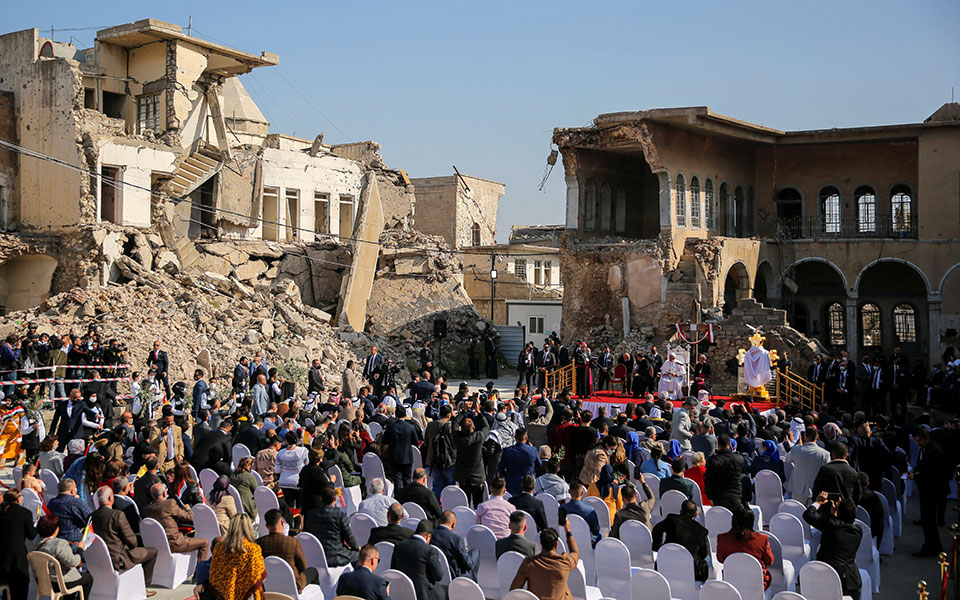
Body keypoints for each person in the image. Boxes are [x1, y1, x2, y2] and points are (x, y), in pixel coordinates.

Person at [90, 486, 158, 588]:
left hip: (98, 558)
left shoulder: (91, 517)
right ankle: (144, 587)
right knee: (152, 552)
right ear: (110, 498)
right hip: (119, 559)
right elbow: (132, 541)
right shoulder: (117, 515)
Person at [803, 492, 863, 599]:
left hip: (826, 575)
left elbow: (808, 515)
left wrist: (818, 502)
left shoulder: (831, 525)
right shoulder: (858, 531)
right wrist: (835, 514)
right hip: (850, 580)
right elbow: (840, 526)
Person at [509, 520, 579, 600]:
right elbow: (575, 552)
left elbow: (514, 590)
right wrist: (568, 531)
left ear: (541, 542)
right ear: (556, 545)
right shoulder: (565, 562)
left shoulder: (528, 564)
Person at [142, 482, 210, 560]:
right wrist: (188, 509)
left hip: (157, 545)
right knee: (205, 542)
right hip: (175, 543)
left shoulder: (146, 510)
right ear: (164, 493)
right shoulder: (169, 503)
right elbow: (189, 517)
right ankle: (200, 570)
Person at [34, 513, 94, 600]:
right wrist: (80, 549)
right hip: (58, 582)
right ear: (55, 529)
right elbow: (74, 562)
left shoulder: (36, 541)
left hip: (43, 581)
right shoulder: (59, 544)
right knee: (88, 578)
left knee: (71, 577)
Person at [257, 509, 318, 591]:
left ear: (267, 526)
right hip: (292, 584)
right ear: (282, 523)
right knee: (313, 571)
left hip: (268, 583)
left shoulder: (259, 543)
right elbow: (303, 566)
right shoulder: (293, 542)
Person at [208, 514, 266, 600]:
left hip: (223, 595)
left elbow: (214, 576)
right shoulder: (253, 549)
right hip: (248, 597)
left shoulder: (219, 547)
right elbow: (258, 576)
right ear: (249, 528)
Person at [911, 427, 949, 556]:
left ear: (926, 438)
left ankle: (932, 546)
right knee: (928, 519)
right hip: (927, 488)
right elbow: (922, 465)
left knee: (930, 520)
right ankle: (933, 545)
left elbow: (930, 474)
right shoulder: (927, 448)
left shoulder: (934, 452)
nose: (918, 444)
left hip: (932, 490)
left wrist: (915, 476)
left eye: (919, 441)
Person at [652, 499, 711, 582]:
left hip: (667, 560)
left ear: (680, 511)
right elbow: (703, 554)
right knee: (708, 559)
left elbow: (656, 530)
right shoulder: (701, 531)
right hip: (689, 567)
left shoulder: (671, 519)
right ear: (696, 514)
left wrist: (658, 547)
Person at [717, 506, 774, 589]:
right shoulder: (762, 539)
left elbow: (720, 559)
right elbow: (770, 561)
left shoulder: (722, 538)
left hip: (732, 582)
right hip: (757, 584)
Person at [304, 485, 360, 567]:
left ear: (321, 498)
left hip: (316, 556)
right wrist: (356, 548)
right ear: (335, 499)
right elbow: (349, 537)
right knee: (359, 555)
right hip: (335, 556)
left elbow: (307, 534)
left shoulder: (311, 514)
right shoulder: (340, 515)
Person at [391, 520, 445, 600]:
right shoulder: (430, 550)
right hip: (423, 594)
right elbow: (438, 576)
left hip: (402, 592)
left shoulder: (399, 546)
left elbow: (393, 569)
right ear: (428, 536)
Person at [0, 489, 37, 600]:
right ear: (18, 498)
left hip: (2, 560)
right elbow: (32, 535)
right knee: (20, 591)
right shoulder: (25, 513)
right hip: (17, 560)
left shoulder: (2, 512)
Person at [784, 427, 830, 504]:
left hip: (797, 488)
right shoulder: (825, 454)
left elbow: (787, 460)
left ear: (805, 436)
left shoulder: (796, 449)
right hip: (815, 490)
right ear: (817, 437)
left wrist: (798, 446)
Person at [430, 510, 479, 580]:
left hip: (434, 571)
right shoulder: (456, 539)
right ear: (453, 524)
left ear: (439, 521)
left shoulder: (429, 535)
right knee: (475, 552)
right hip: (453, 575)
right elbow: (468, 564)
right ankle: (472, 582)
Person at [454, 411, 490, 507]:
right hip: (477, 476)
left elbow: (454, 424)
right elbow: (486, 427)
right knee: (478, 504)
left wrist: (463, 412)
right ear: (473, 428)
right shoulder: (478, 437)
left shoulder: (457, 437)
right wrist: (480, 414)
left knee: (464, 503)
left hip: (463, 476)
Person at [705, 434, 746, 511]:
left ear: (718, 445)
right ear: (730, 444)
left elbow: (709, 480)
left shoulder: (714, 460)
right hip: (736, 496)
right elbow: (743, 472)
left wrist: (710, 497)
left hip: (719, 497)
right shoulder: (739, 459)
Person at [382, 405, 418, 490]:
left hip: (394, 457)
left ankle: (398, 498)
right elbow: (416, 442)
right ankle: (406, 499)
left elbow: (384, 441)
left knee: (397, 480)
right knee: (407, 480)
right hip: (407, 457)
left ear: (396, 415)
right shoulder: (410, 427)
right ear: (405, 415)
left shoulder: (391, 427)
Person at [498, 427, 541, 497]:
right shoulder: (533, 450)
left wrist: (508, 475)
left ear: (515, 438)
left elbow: (501, 468)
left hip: (511, 485)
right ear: (526, 438)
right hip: (528, 485)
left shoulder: (508, 451)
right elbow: (539, 465)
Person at [564, 482, 601, 546]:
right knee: (601, 535)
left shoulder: (562, 508)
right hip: (586, 543)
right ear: (582, 492)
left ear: (569, 492)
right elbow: (596, 530)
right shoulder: (589, 510)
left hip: (567, 541)